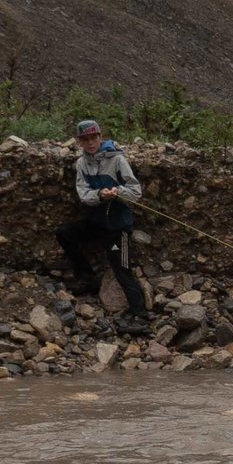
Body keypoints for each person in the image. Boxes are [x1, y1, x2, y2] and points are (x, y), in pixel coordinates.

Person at [56, 119, 149, 317]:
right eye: (85, 139)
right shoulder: (82, 163)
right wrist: (99, 195)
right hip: (97, 222)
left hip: (118, 226)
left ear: (100, 137)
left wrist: (118, 192)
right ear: (79, 142)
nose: (90, 143)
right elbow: (83, 194)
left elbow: (135, 191)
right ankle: (87, 277)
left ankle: (140, 315)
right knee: (64, 233)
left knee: (121, 269)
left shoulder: (117, 160)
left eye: (93, 138)